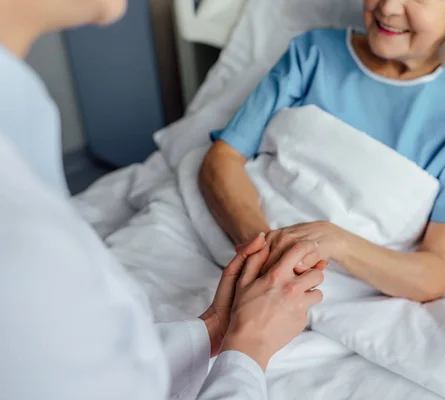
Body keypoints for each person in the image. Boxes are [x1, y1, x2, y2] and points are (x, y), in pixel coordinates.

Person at [0, 0, 326, 399]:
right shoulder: (20, 249)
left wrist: (214, 329)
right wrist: (250, 348)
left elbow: (99, 374)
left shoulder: (22, 130)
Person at [199, 0, 445, 303]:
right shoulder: (313, 53)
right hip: (240, 251)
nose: (388, 7)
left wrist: (334, 241)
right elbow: (223, 160)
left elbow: (435, 271)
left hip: (338, 295)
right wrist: (268, 252)